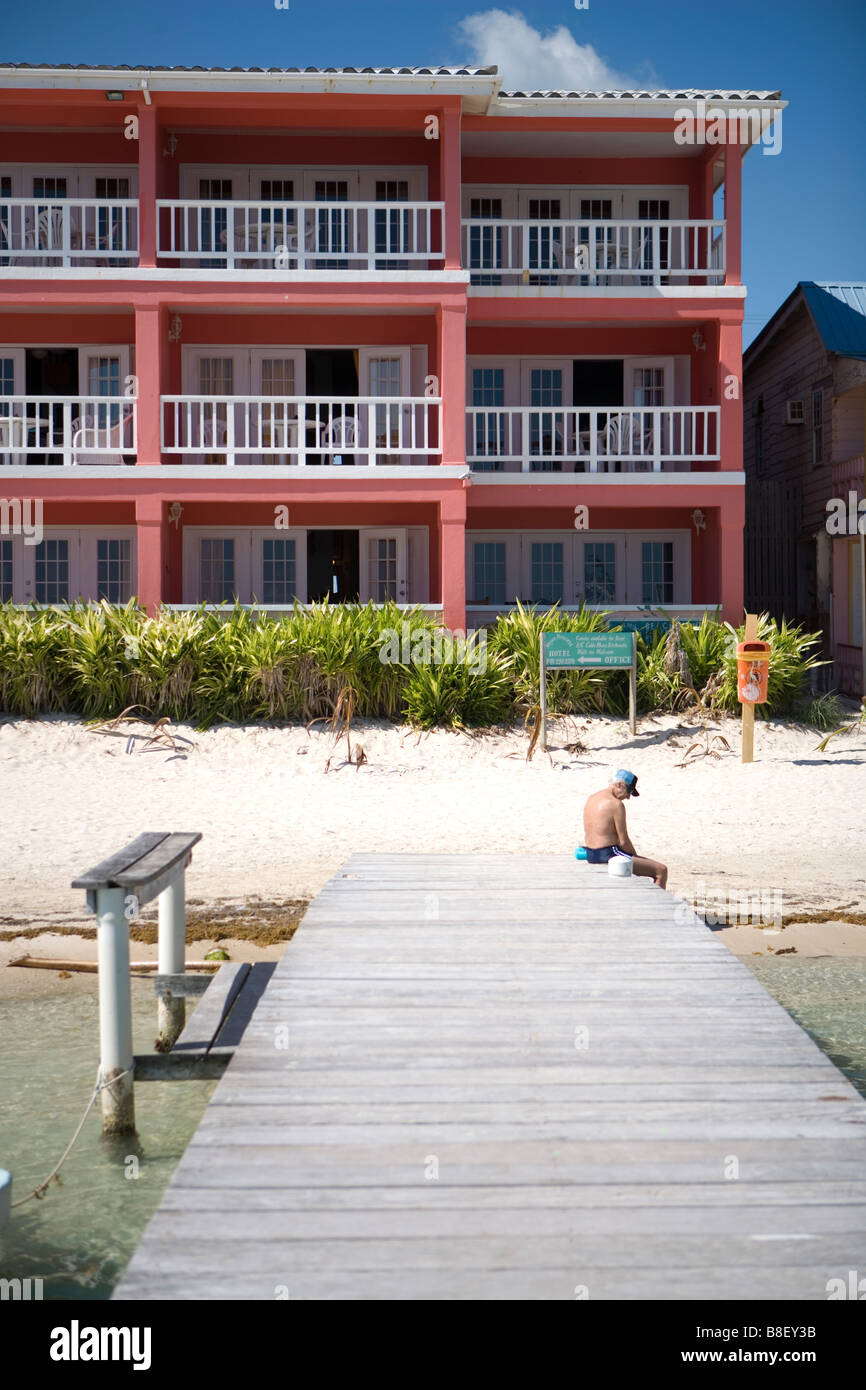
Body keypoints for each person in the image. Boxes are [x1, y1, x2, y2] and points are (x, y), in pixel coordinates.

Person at [582, 769, 668, 888]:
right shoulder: (616, 804)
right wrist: (636, 857)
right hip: (608, 854)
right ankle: (658, 905)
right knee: (661, 871)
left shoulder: (592, 798)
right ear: (619, 785)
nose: (628, 797)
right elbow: (623, 841)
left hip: (590, 853)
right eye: (629, 791)